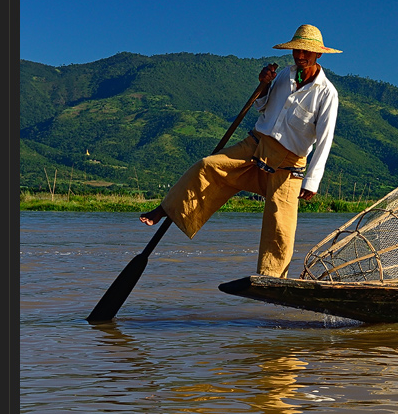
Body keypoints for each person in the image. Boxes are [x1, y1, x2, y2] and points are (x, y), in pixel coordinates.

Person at [139, 24, 341, 278]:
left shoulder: (326, 93)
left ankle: (271, 280)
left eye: (306, 53)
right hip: (256, 145)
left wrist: (312, 180)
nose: (300, 56)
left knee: (280, 225)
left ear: (318, 55)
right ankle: (166, 208)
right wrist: (263, 84)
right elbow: (262, 106)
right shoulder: (282, 76)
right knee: (207, 166)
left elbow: (325, 139)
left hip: (289, 164)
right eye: (297, 51)